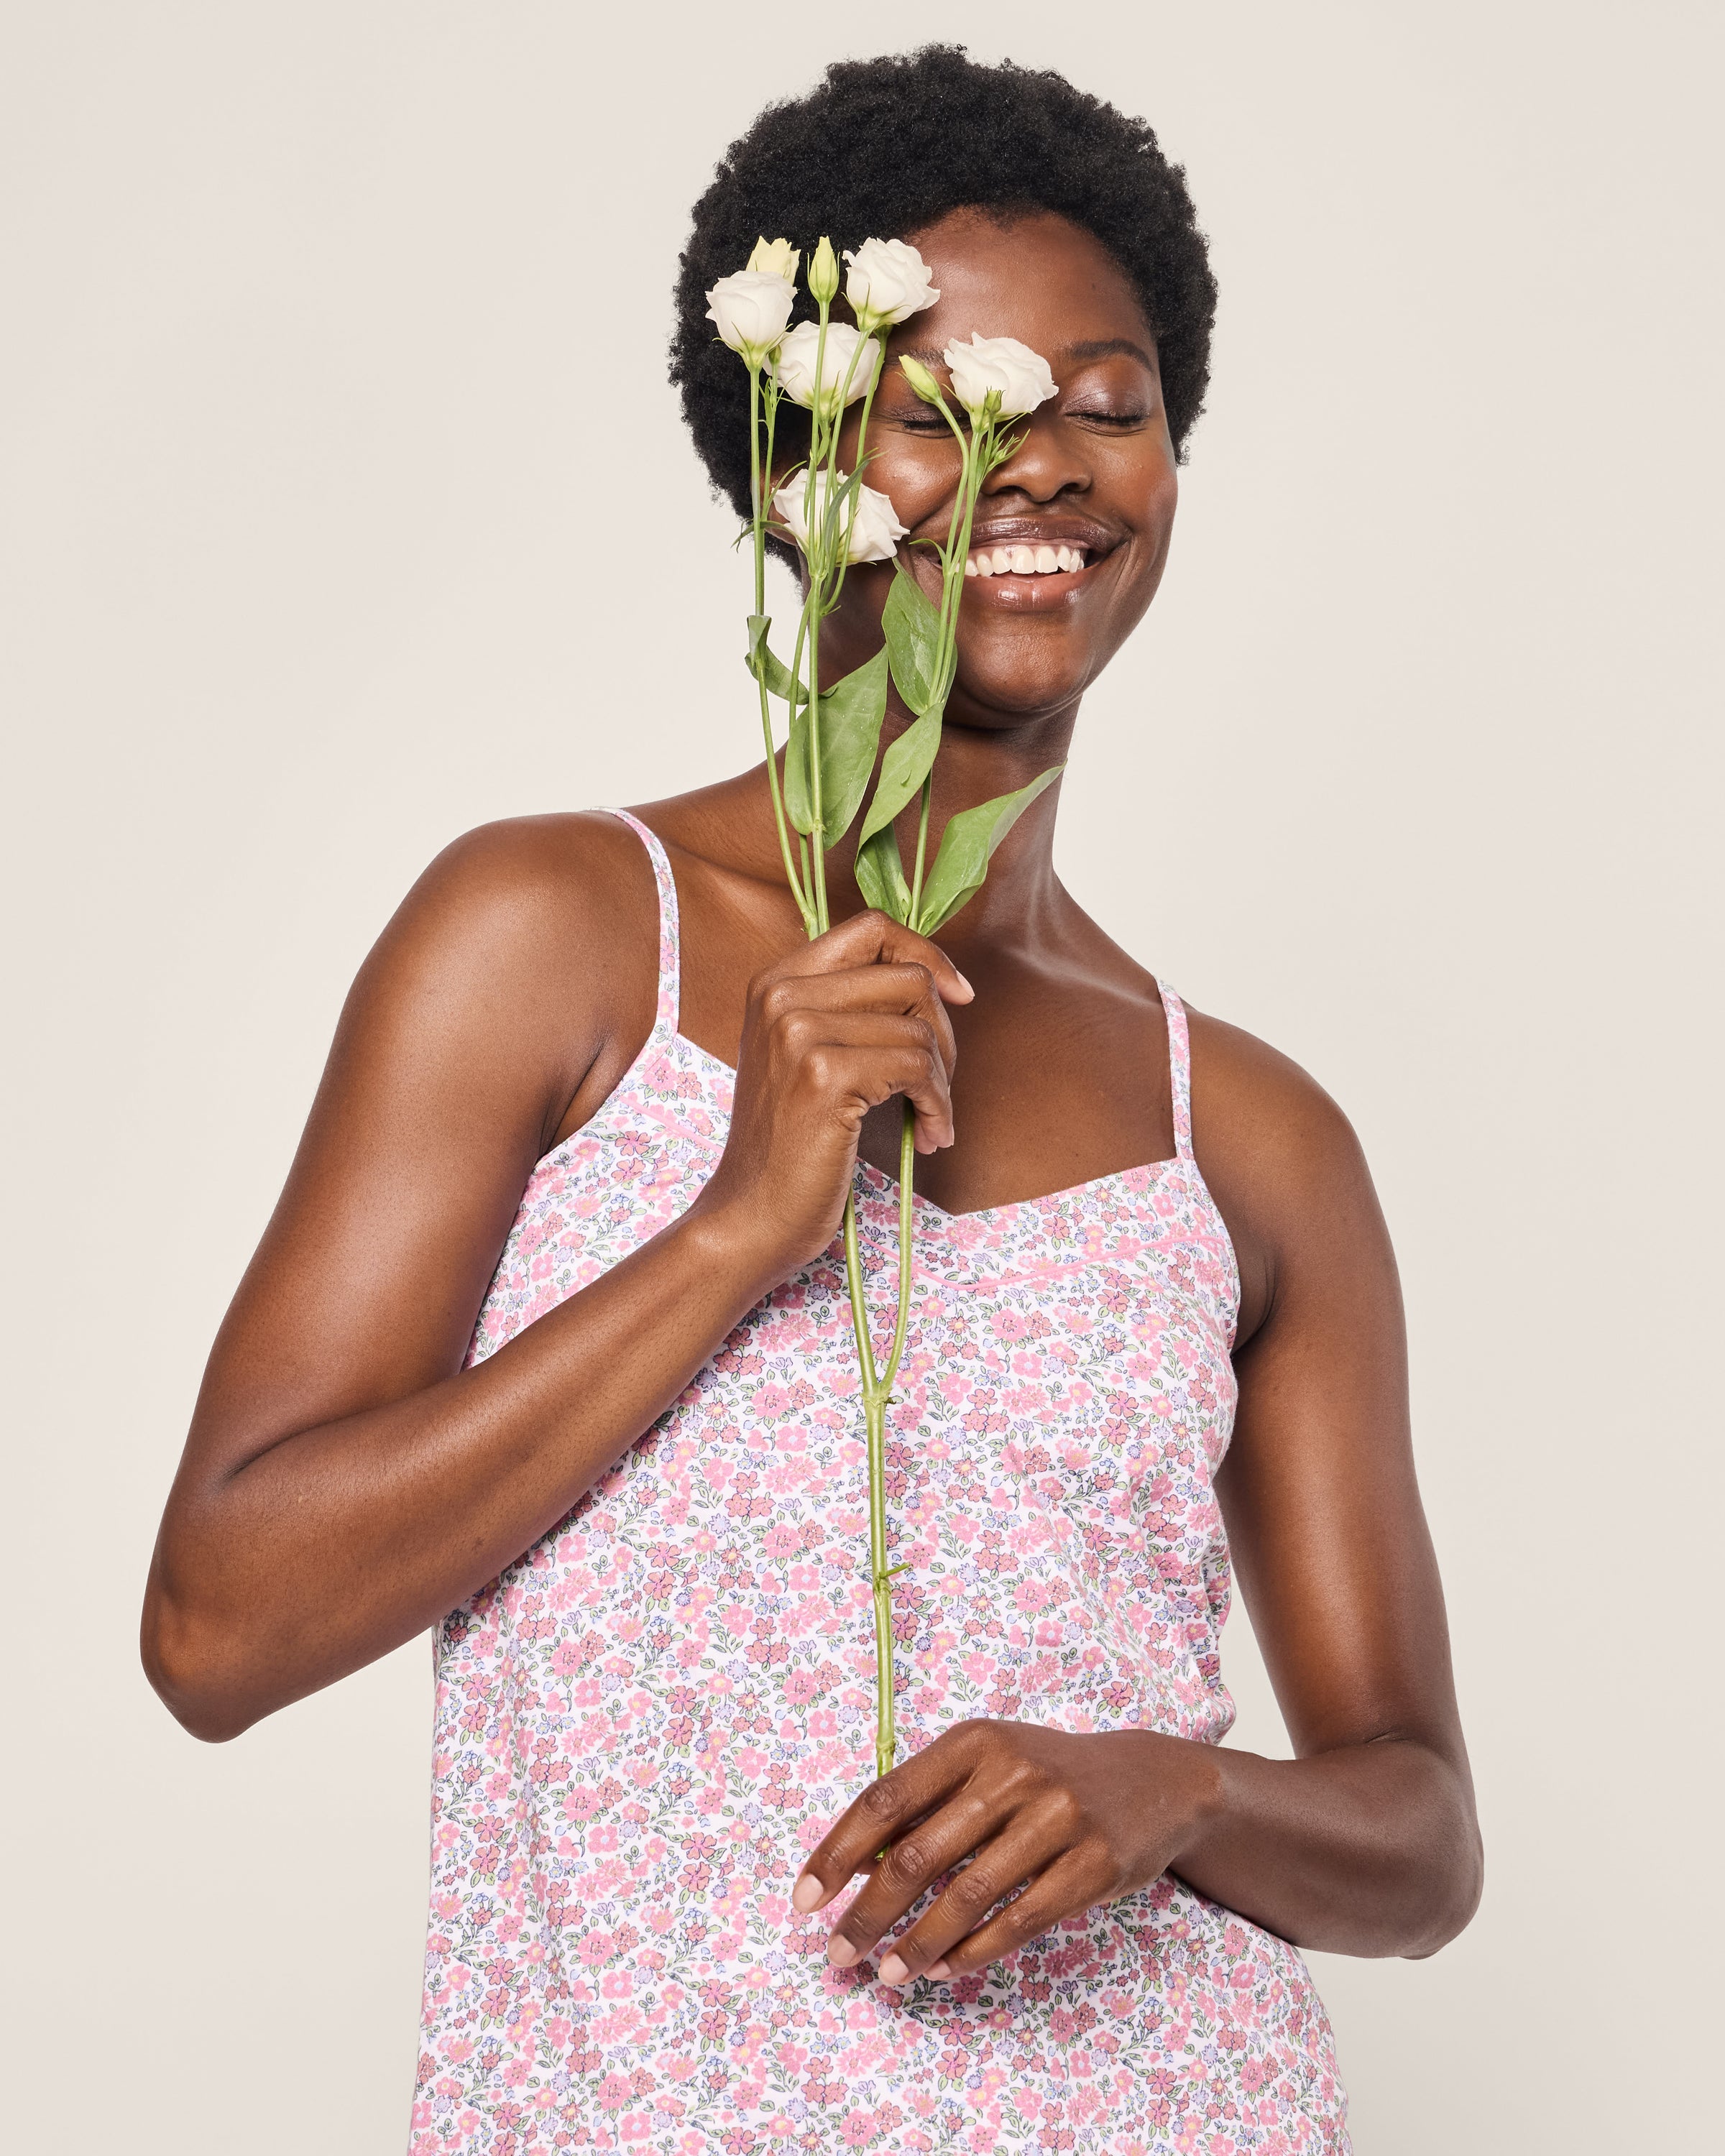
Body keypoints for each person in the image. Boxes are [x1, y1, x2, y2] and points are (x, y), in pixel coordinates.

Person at [143, 45, 1481, 2156]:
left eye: (1107, 406)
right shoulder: (561, 935)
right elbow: (220, 1624)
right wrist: (740, 1227)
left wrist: (1183, 1783)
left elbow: (1420, 1839)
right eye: (946, 412)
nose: (1041, 464)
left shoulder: (1254, 1135)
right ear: (792, 467)